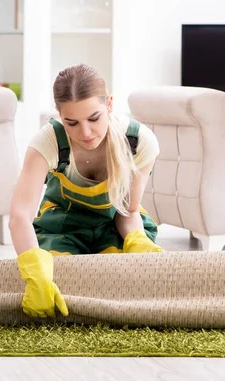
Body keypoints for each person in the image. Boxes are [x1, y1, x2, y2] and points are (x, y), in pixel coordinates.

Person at [8, 64, 163, 319]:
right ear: (59, 115)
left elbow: (128, 210)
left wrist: (136, 242)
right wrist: (35, 271)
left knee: (123, 284)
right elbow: (20, 217)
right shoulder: (47, 142)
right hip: (61, 228)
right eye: (72, 123)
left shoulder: (138, 142)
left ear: (109, 104)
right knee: (65, 281)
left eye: (94, 118)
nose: (86, 133)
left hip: (112, 225)